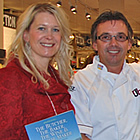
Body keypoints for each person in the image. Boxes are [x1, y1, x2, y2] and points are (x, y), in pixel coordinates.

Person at [0, 2, 75, 139]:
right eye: (41, 28)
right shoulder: (11, 78)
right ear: (26, 35)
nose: (49, 36)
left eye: (55, 30)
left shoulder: (57, 78)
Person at [69, 10, 140, 140]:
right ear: (95, 44)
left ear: (129, 43)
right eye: (106, 37)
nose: (114, 43)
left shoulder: (137, 73)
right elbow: (81, 134)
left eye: (120, 37)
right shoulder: (81, 81)